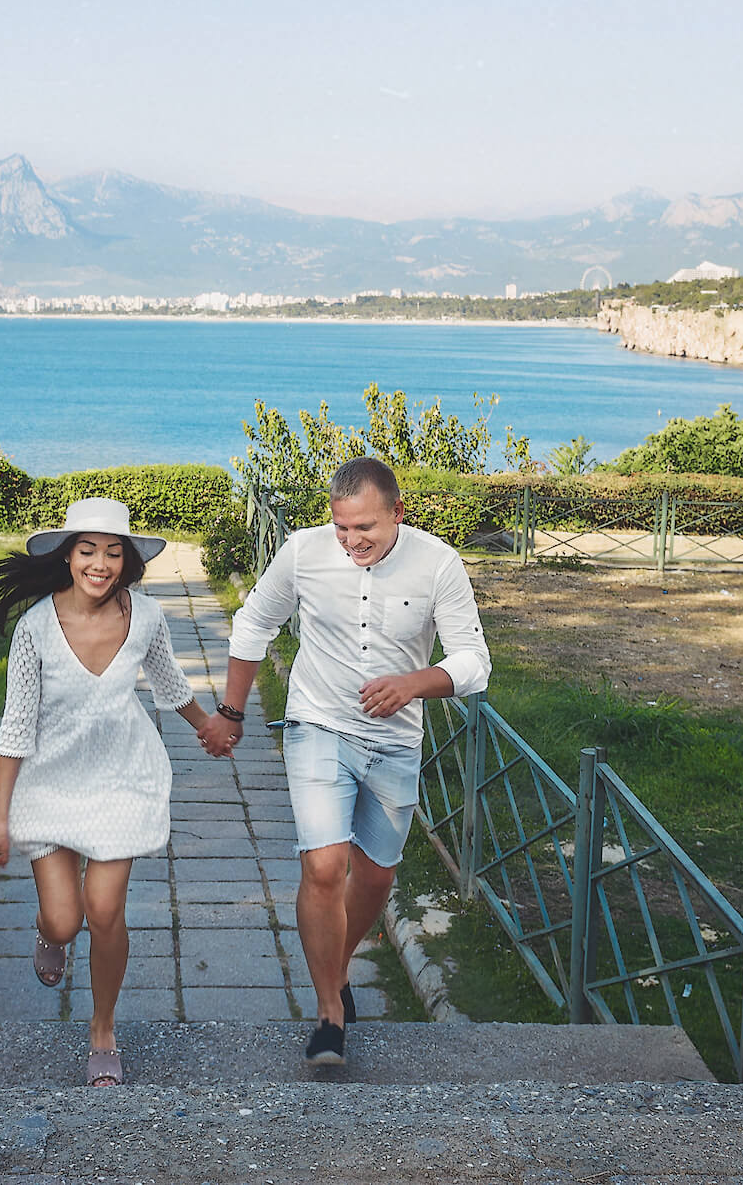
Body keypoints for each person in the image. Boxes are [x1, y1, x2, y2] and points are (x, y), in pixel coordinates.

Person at [202, 456, 490, 1068]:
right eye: (342, 529)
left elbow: (473, 660)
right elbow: (253, 623)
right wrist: (230, 711)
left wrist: (416, 682)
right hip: (318, 725)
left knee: (377, 878)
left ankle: (336, 968)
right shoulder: (304, 553)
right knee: (325, 865)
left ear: (398, 513)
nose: (353, 541)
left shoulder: (438, 563)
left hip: (395, 741)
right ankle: (330, 1012)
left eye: (366, 529)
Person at [0, 496, 217, 1087]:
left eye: (112, 553)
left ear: (126, 562)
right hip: (50, 783)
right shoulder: (34, 629)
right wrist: (0, 821)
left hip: (121, 776)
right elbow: (16, 725)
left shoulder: (148, 616)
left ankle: (102, 1031)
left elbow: (169, 680)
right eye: (87, 551)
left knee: (105, 912)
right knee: (64, 919)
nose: (99, 564)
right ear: (68, 557)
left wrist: (206, 723)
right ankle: (48, 935)